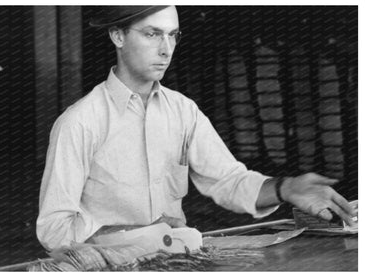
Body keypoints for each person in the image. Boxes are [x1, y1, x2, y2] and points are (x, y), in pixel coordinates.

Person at [36, 5, 355, 251]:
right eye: (152, 34)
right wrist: (136, 235)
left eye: (172, 35)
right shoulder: (79, 122)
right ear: (118, 36)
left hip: (172, 260)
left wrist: (286, 187)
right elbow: (54, 228)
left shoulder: (182, 111)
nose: (166, 49)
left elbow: (230, 182)